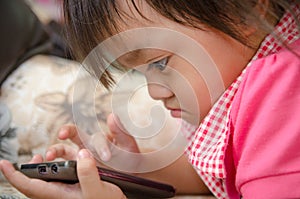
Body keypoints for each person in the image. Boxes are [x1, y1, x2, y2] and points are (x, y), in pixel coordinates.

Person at [1, 0, 300, 198]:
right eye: (139, 72)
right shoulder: (247, 86)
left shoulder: (280, 87)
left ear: (248, 10)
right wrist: (129, 170)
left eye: (160, 63)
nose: (155, 91)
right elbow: (223, 172)